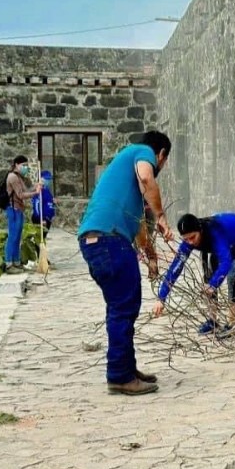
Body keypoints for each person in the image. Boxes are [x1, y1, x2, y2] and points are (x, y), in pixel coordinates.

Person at [78, 131, 174, 396]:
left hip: (99, 241)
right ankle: (120, 375)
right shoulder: (141, 152)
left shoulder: (127, 185)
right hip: (109, 241)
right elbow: (146, 176)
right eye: (161, 164)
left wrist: (152, 258)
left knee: (123, 305)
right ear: (161, 154)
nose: (158, 169)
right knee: (123, 306)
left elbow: (139, 227)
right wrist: (163, 217)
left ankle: (126, 368)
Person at [153, 212, 235, 336]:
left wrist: (213, 285)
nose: (190, 242)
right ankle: (212, 321)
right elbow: (176, 267)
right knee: (209, 274)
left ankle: (231, 324)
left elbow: (226, 262)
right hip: (225, 239)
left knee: (232, 276)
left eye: (192, 237)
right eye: (186, 239)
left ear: (200, 231)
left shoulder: (215, 233)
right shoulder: (189, 241)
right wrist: (161, 297)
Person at [4, 155, 40, 274]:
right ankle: (9, 264)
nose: (25, 167)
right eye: (23, 165)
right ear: (16, 165)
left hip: (18, 208)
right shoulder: (13, 177)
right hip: (13, 209)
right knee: (13, 236)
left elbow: (25, 191)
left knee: (18, 236)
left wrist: (35, 188)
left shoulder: (19, 177)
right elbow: (20, 195)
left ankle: (17, 262)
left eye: (26, 165)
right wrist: (35, 193)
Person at [31, 169, 56, 248]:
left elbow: (48, 202)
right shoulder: (39, 191)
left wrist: (53, 201)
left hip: (47, 219)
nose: (49, 181)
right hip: (41, 219)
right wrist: (41, 219)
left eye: (49, 179)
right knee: (39, 239)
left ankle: (43, 257)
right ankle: (39, 257)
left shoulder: (47, 190)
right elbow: (36, 205)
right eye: (47, 179)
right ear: (41, 179)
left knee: (43, 238)